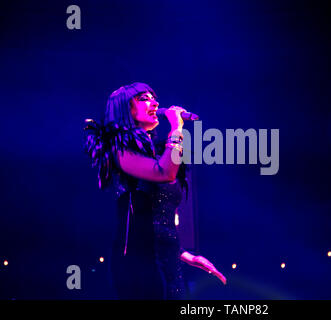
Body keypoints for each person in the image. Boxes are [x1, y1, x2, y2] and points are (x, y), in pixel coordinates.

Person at [84, 82, 226, 299]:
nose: (155, 102)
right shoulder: (119, 148)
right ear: (125, 109)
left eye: (153, 97)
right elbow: (164, 174)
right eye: (144, 98)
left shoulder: (156, 152)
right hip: (138, 262)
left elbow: (158, 221)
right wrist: (177, 129)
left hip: (166, 260)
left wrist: (185, 256)